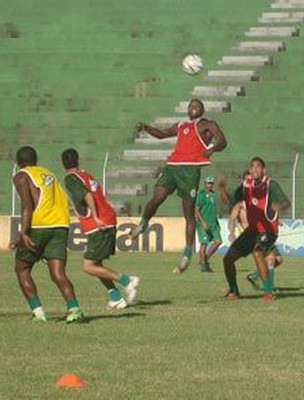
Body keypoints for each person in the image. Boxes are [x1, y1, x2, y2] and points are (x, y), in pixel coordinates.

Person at [130, 99, 227, 272]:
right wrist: (146, 127)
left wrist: (211, 148)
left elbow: (222, 141)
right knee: (156, 198)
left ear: (202, 109)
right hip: (173, 167)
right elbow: (161, 134)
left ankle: (187, 254)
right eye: (190, 106)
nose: (193, 107)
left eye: (196, 105)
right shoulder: (182, 125)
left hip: (190, 171)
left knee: (188, 214)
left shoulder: (208, 124)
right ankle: (143, 222)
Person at [10, 146, 84, 323]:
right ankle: (74, 309)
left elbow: (27, 205)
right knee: (58, 273)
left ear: (18, 162)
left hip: (40, 225)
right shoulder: (48, 173)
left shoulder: (21, 175)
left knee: (22, 269)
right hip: (60, 224)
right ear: (36, 159)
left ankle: (38, 312)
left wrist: (24, 233)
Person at [61, 148, 140, 309]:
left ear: (63, 164)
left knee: (88, 266)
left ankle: (127, 281)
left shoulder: (70, 178)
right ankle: (115, 296)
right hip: (107, 218)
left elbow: (87, 196)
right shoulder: (86, 175)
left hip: (99, 223)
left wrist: (96, 218)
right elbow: (91, 197)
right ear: (78, 160)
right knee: (96, 265)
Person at [222, 157, 290, 302]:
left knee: (258, 252)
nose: (255, 169)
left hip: (269, 231)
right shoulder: (246, 186)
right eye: (252, 166)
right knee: (227, 259)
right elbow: (230, 202)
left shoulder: (271, 185)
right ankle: (233, 291)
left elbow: (286, 202)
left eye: (258, 166)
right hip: (252, 231)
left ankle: (268, 293)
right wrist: (222, 188)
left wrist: (278, 206)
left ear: (263, 170)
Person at [190, 176, 222, 274]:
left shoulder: (213, 194)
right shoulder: (201, 195)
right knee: (203, 243)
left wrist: (217, 222)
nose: (210, 185)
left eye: (211, 183)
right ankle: (204, 266)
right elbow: (196, 210)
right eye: (208, 183)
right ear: (205, 184)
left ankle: (205, 259)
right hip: (203, 224)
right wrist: (203, 222)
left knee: (218, 242)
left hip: (213, 224)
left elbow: (213, 210)